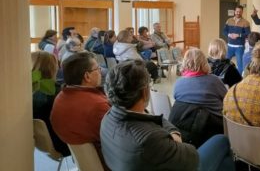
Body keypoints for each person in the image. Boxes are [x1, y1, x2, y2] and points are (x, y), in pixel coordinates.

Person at [101, 59, 235, 171]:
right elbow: (191, 156)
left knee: (225, 163)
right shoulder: (148, 139)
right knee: (222, 140)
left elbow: (156, 119)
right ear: (144, 92)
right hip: (186, 163)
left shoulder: (108, 118)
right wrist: (175, 137)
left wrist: (171, 131)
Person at [50, 52, 110, 168]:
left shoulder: (60, 97)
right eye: (97, 68)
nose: (100, 71)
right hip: (108, 163)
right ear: (87, 76)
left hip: (83, 161)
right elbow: (121, 139)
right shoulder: (97, 106)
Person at [169, 48, 227, 147]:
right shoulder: (214, 81)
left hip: (185, 131)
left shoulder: (179, 83)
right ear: (204, 62)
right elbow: (227, 100)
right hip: (214, 128)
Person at [32, 51, 70, 156]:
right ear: (53, 68)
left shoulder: (26, 93)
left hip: (45, 145)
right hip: (65, 144)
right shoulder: (57, 94)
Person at [223, 5, 250, 74]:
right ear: (234, 11)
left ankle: (239, 81)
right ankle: (224, 77)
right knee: (224, 63)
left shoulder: (246, 22)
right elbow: (224, 31)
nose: (238, 13)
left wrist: (239, 35)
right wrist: (229, 34)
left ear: (242, 12)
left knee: (240, 66)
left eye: (240, 12)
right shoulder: (229, 20)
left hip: (240, 47)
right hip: (229, 46)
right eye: (237, 11)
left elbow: (248, 34)